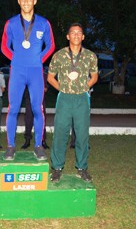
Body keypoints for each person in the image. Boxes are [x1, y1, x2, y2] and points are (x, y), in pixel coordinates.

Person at [1, 0, 55, 161]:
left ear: (34, 2)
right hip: (17, 71)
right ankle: (10, 146)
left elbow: (51, 46)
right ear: (18, 2)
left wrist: (39, 59)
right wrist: (15, 59)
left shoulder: (43, 23)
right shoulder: (11, 23)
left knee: (37, 109)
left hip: (35, 72)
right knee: (13, 109)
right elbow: (4, 47)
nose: (26, 2)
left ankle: (39, 146)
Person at [47, 23, 98, 183]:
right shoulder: (59, 55)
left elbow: (95, 76)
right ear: (68, 36)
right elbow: (50, 77)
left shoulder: (90, 56)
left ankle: (82, 168)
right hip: (64, 99)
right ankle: (56, 168)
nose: (76, 35)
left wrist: (85, 87)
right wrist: (61, 88)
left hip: (82, 98)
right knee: (60, 134)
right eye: (73, 33)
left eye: (79, 33)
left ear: (83, 37)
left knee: (82, 134)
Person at [22, 75, 50, 149]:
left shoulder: (42, 74)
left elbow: (45, 89)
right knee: (28, 121)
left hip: (40, 101)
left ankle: (43, 141)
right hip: (29, 100)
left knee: (42, 120)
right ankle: (27, 140)